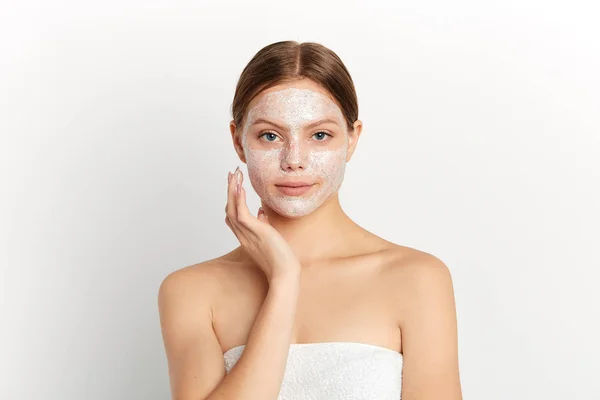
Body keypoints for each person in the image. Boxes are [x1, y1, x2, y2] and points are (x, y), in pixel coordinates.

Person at [158, 40, 463, 400]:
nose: (294, 160)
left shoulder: (417, 279)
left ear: (352, 139)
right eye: (270, 136)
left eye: (319, 135)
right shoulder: (190, 292)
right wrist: (284, 281)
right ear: (238, 141)